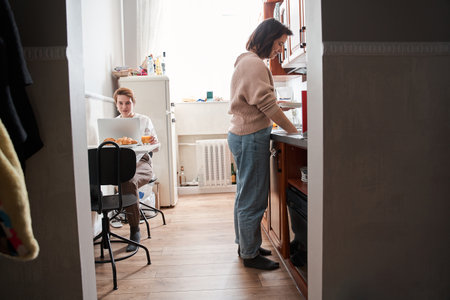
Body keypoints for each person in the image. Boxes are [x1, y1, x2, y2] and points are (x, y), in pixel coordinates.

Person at [227, 18, 298, 270]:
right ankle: (249, 254)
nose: (280, 49)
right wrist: (294, 131)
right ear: (267, 38)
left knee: (244, 195)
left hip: (243, 134)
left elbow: (259, 101)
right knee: (253, 199)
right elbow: (266, 104)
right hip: (250, 137)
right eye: (279, 43)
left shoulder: (247, 62)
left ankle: (246, 245)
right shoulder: (254, 64)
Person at [113, 87, 159, 252]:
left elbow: (155, 148)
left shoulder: (144, 120)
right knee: (121, 178)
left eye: (128, 103)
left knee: (129, 180)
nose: (124, 107)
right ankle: (114, 218)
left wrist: (152, 142)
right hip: (122, 162)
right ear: (116, 104)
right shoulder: (114, 123)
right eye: (121, 103)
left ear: (133, 103)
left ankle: (134, 231)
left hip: (142, 161)